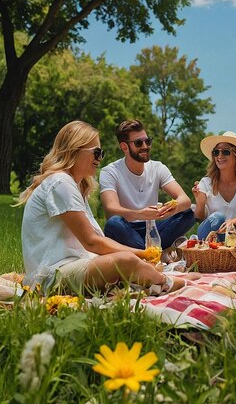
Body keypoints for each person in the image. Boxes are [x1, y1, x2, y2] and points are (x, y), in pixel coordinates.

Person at [19, 121, 185, 295]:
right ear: (74, 150)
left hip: (74, 266)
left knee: (128, 261)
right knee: (126, 260)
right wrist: (141, 254)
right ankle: (165, 282)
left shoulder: (74, 186)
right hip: (53, 277)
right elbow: (91, 241)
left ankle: (158, 279)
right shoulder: (60, 182)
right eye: (96, 153)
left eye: (101, 153)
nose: (99, 159)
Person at [100, 119, 195, 250]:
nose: (145, 146)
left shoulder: (158, 168)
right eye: (139, 143)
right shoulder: (110, 172)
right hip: (127, 230)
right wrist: (140, 214)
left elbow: (185, 199)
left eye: (148, 141)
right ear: (124, 147)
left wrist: (168, 209)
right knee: (113, 223)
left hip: (153, 228)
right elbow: (111, 210)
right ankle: (154, 252)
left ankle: (148, 253)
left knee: (189, 213)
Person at [192, 131, 236, 255]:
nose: (219, 156)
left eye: (225, 152)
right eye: (216, 152)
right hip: (209, 236)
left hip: (232, 235)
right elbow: (199, 217)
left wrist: (231, 222)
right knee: (218, 217)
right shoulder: (205, 182)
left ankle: (226, 253)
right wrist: (200, 203)